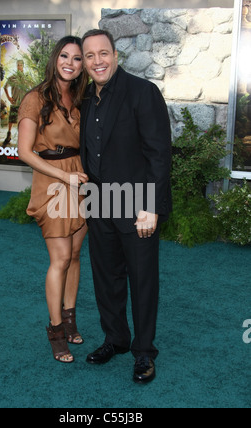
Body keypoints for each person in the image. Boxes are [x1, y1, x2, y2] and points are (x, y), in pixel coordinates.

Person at [80, 29, 172, 383]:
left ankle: (144, 352)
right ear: (86, 63)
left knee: (142, 280)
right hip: (100, 203)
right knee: (106, 278)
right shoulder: (89, 98)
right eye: (90, 56)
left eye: (103, 53)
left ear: (115, 55)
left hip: (137, 206)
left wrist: (150, 206)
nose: (97, 61)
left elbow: (159, 155)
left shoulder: (142, 92)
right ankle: (115, 339)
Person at [18, 36, 89, 364]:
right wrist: (65, 177)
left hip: (80, 179)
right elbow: (24, 152)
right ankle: (56, 330)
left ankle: (71, 319)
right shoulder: (35, 98)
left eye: (77, 59)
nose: (70, 63)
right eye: (65, 56)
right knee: (60, 258)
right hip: (54, 180)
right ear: (55, 58)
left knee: (75, 255)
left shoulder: (81, 97)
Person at [4, 60, 30, 146]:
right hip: (15, 102)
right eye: (18, 65)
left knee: (23, 121)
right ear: (16, 66)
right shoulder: (12, 78)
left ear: (23, 66)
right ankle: (9, 134)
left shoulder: (27, 77)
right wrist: (9, 98)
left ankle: (23, 137)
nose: (19, 67)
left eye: (21, 65)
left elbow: (33, 87)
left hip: (24, 103)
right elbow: (5, 87)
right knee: (12, 119)